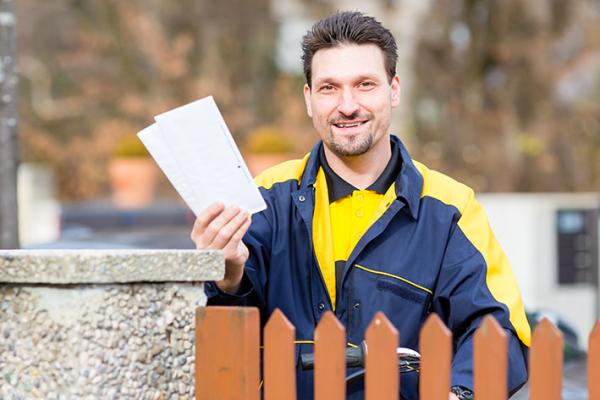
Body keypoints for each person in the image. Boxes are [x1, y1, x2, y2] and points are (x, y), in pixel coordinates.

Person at [192, 11, 530, 400]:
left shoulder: (451, 207)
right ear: (308, 99)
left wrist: (461, 394)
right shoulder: (265, 196)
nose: (347, 105)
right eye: (329, 88)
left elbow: (500, 331)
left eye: (365, 84)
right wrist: (228, 272)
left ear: (394, 89)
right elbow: (224, 341)